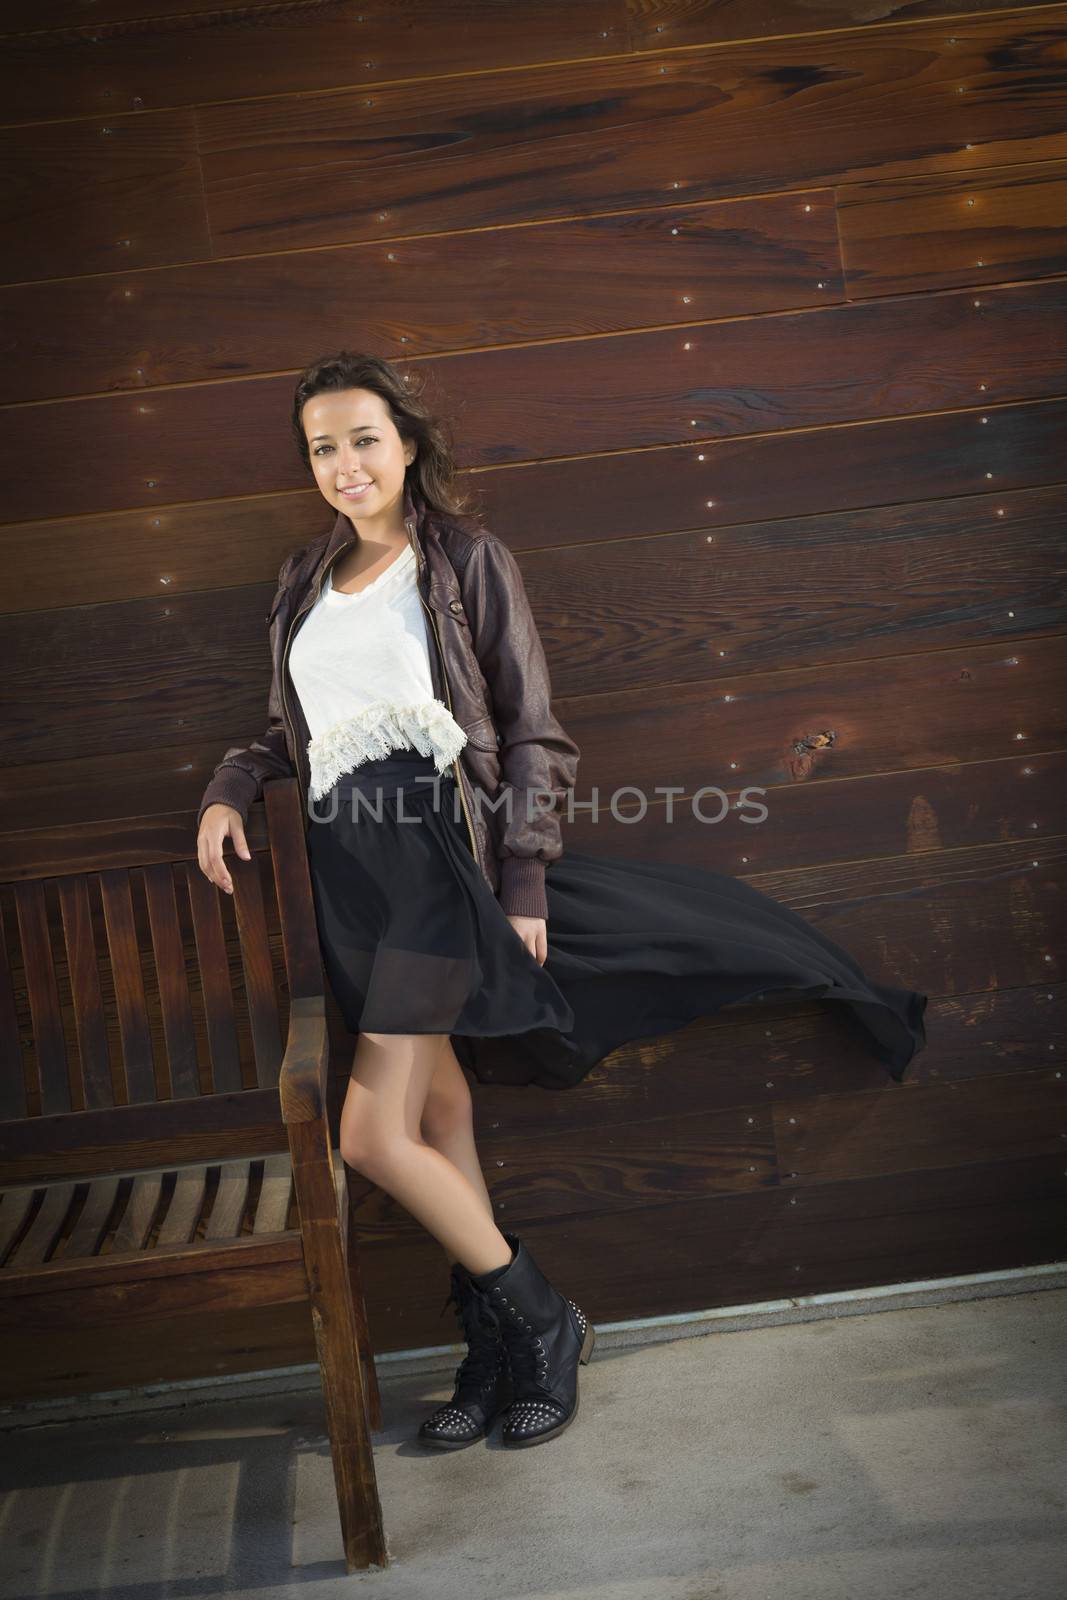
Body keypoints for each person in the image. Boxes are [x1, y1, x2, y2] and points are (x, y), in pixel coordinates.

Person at [197, 350, 927, 1453]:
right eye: (322, 447)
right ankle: (494, 1349)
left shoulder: (465, 562)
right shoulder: (302, 580)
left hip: (437, 864)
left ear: (405, 444)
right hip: (351, 876)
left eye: (361, 438)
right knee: (438, 1117)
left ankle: (541, 1318)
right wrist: (231, 786)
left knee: (367, 1133)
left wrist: (522, 876)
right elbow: (288, 728)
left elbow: (532, 730)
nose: (344, 464)